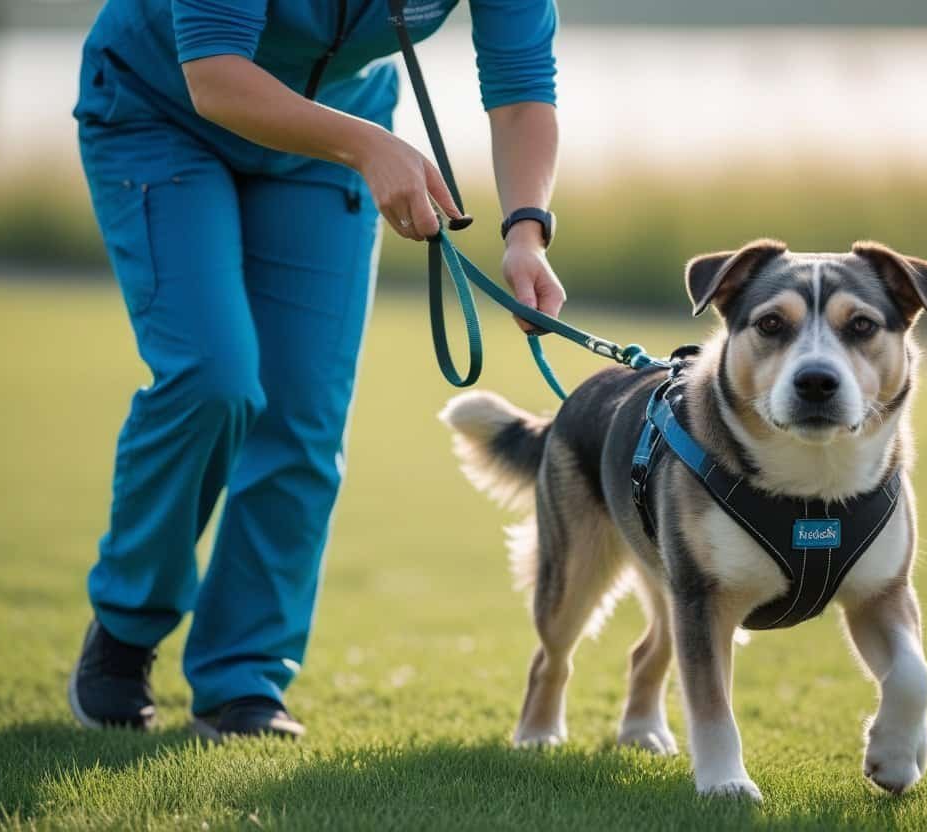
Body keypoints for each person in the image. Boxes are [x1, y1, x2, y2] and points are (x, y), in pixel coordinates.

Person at [67, 0, 565, 740]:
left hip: (325, 137)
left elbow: (522, 86)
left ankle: (244, 679)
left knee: (304, 416)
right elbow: (215, 76)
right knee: (214, 379)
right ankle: (126, 627)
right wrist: (369, 148)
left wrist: (527, 231)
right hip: (161, 111)